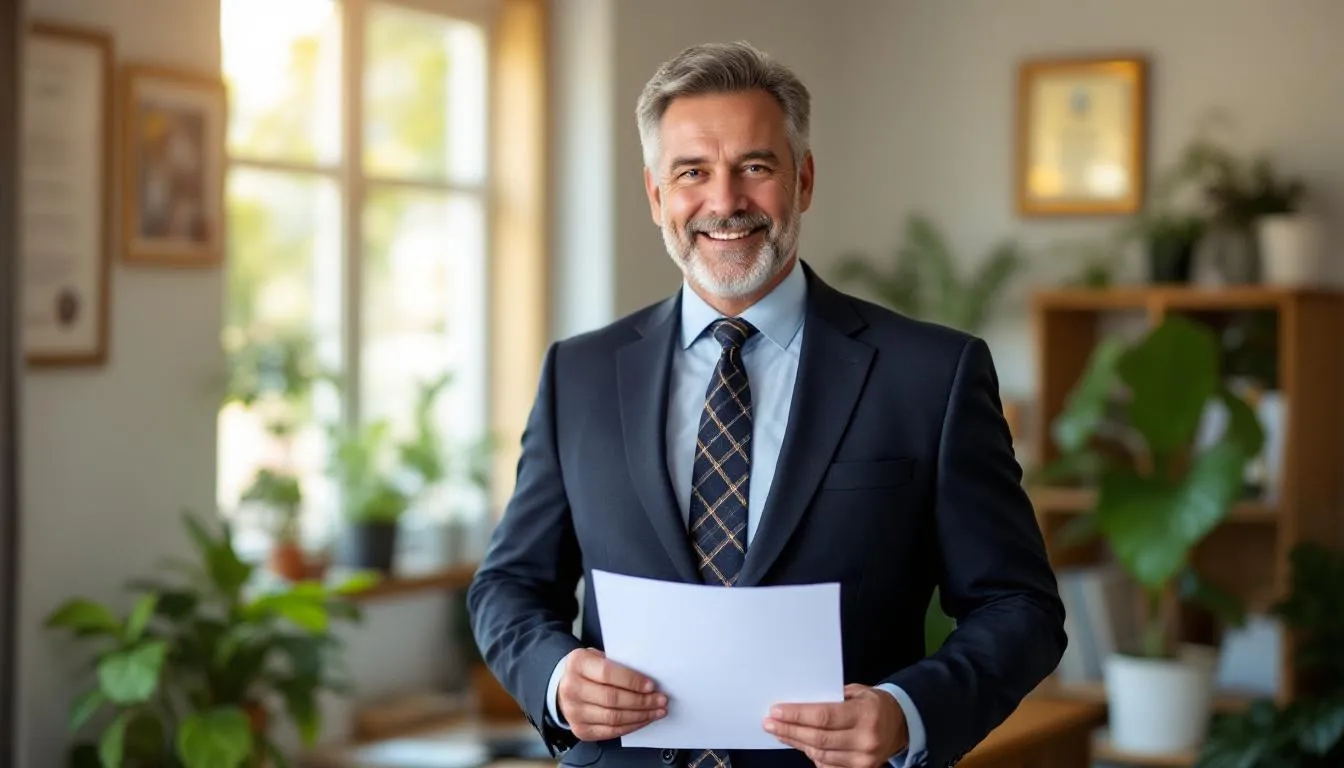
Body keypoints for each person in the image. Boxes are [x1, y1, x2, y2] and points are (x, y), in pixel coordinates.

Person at [467, 40, 1066, 768]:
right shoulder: (579, 375)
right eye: (693, 172)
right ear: (657, 195)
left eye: (756, 166)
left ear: (804, 180)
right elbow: (509, 585)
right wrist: (558, 679)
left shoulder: (931, 374)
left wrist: (908, 714)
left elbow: (1020, 606)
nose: (724, 202)